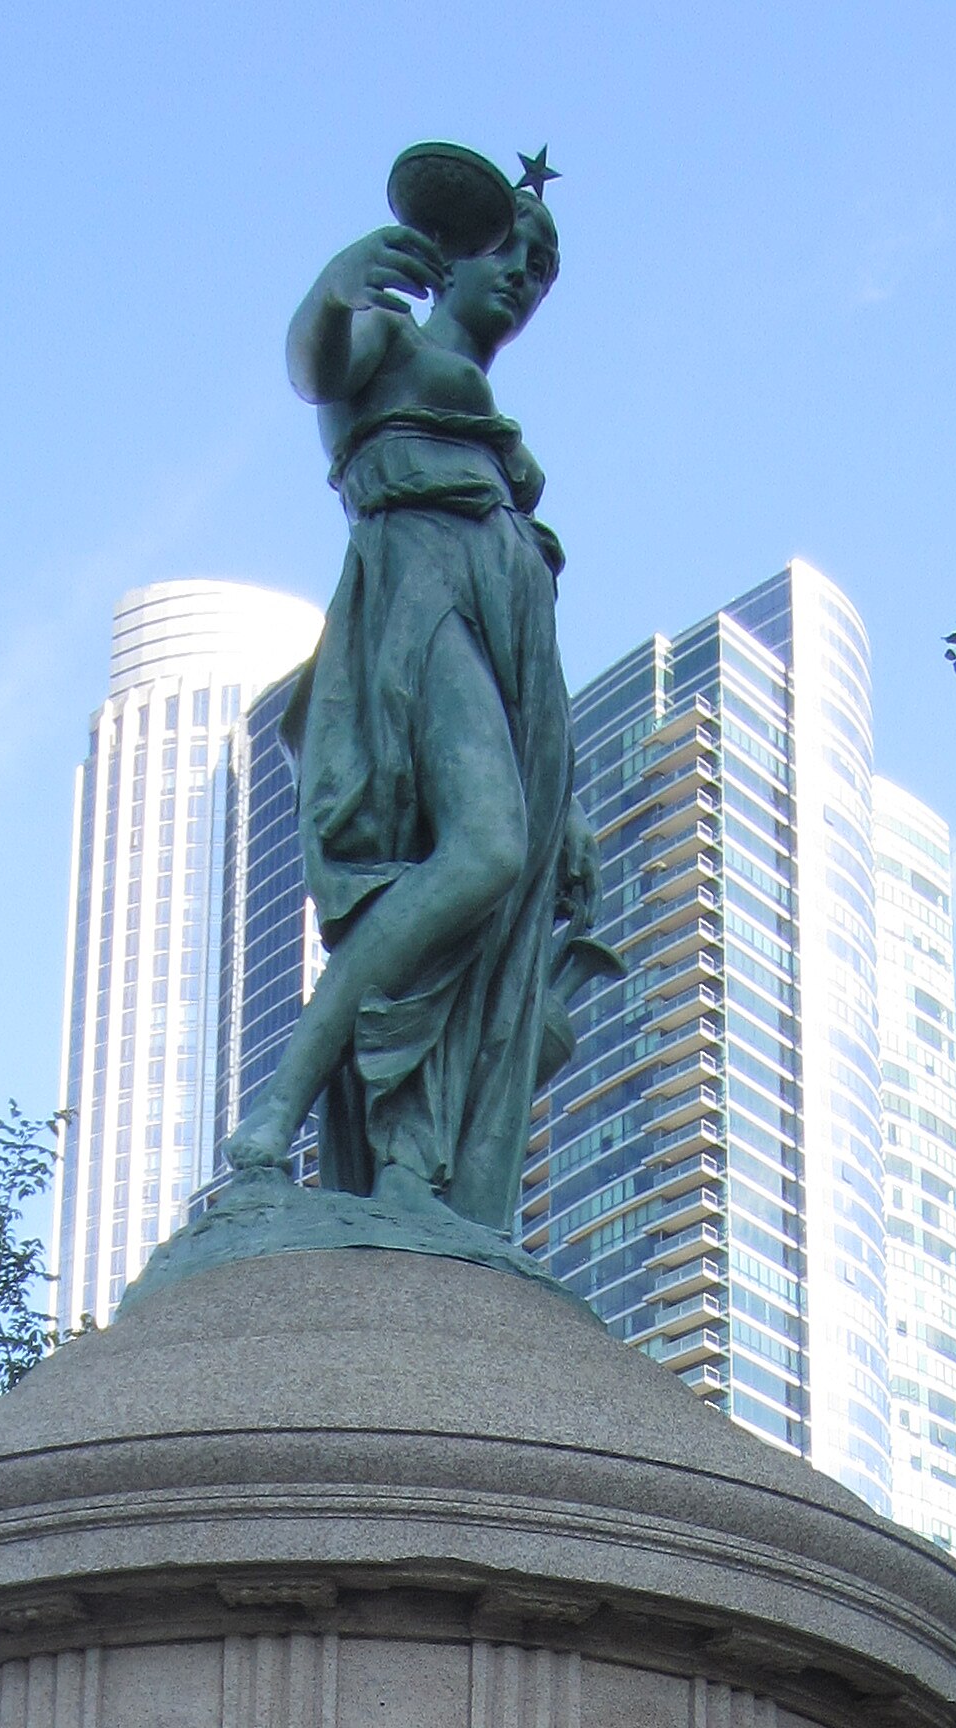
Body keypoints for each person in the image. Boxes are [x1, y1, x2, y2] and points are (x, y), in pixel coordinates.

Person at [223, 165, 610, 1228]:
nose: (526, 279)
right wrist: (338, 283)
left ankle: (410, 1166)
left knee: (490, 931)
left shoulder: (496, 432)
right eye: (512, 251)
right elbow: (316, 364)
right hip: (418, 598)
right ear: (455, 252)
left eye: (545, 270)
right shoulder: (390, 343)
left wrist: (562, 797)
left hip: (512, 645)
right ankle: (276, 1111)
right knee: (480, 855)